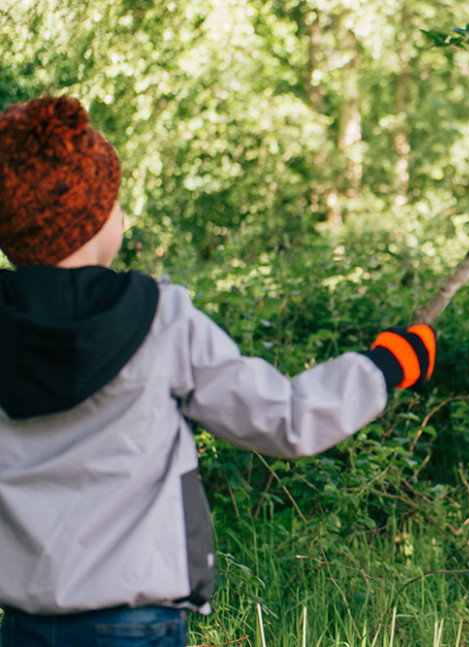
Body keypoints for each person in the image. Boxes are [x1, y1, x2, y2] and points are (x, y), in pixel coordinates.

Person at [0, 94, 436, 646]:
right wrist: (382, 368)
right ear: (87, 223)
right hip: (138, 618)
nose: (124, 217)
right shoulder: (162, 319)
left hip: (24, 623)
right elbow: (284, 419)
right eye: (112, 204)